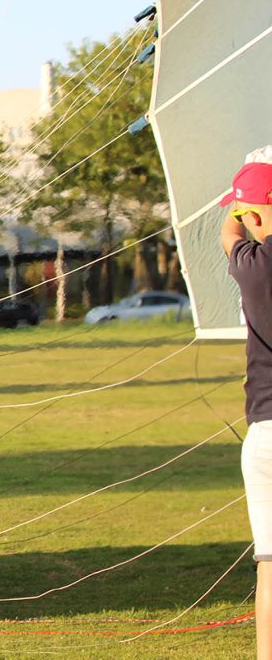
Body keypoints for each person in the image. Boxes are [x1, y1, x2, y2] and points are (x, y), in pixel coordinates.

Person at [218, 161, 272, 660]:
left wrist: (239, 207)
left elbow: (228, 231)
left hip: (266, 432)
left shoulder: (252, 267)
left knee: (270, 567)